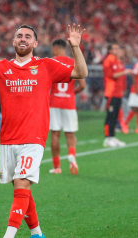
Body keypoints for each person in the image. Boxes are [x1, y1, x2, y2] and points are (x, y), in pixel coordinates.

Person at [0, 23, 88, 238]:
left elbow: (80, 72)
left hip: (34, 137)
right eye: (19, 35)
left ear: (35, 43)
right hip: (8, 138)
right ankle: (37, 233)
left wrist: (75, 47)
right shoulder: (0, 68)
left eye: (28, 36)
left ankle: (8, 235)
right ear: (13, 41)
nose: (23, 39)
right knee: (21, 189)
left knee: (21, 183)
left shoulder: (47, 65)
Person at [48, 39, 86, 175]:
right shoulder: (73, 62)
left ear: (56, 48)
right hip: (68, 102)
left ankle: (57, 166)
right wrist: (71, 93)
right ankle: (71, 154)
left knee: (55, 134)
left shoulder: (50, 62)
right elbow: (82, 85)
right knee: (70, 134)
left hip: (54, 102)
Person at [102, 43, 132, 147]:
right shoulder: (109, 60)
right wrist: (124, 72)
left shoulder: (116, 60)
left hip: (117, 93)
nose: (117, 50)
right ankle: (107, 139)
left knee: (115, 116)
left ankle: (112, 137)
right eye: (115, 48)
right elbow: (111, 75)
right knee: (110, 116)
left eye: (118, 48)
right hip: (111, 92)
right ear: (109, 50)